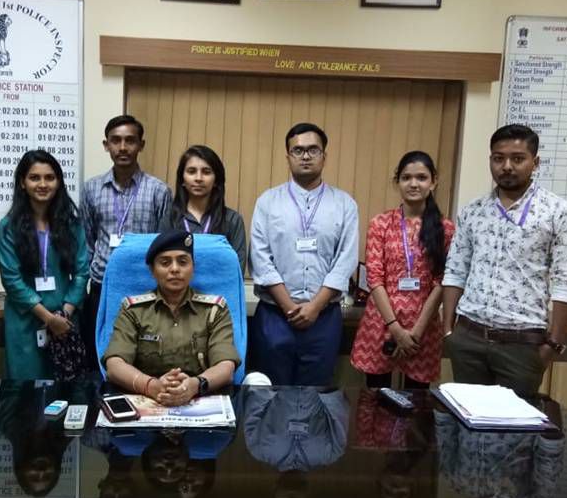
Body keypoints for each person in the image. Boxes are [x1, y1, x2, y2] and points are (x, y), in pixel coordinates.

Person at [442, 124, 567, 397]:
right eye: (498, 158)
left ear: (535, 163)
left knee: (514, 422)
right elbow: (456, 270)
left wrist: (553, 345)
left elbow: (566, 282)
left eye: (517, 159)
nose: (506, 166)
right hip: (469, 338)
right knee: (467, 417)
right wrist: (449, 331)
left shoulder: (557, 212)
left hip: (522, 345)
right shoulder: (473, 211)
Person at [249, 122, 359, 386]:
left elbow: (345, 260)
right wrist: (290, 308)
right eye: (298, 150)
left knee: (315, 394)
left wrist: (315, 307)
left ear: (324, 156)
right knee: (272, 392)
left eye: (313, 150)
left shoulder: (345, 204)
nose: (306, 156)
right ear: (288, 157)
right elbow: (261, 258)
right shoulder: (267, 202)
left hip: (324, 318)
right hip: (275, 316)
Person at [350, 151, 455, 390]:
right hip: (382, 322)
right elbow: (374, 278)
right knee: (375, 397)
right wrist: (396, 329)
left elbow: (442, 281)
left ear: (433, 182)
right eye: (407, 177)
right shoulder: (381, 224)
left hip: (423, 327)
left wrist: (416, 332)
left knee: (417, 401)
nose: (414, 184)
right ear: (397, 181)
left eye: (421, 177)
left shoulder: (446, 228)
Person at [102, 229, 241, 406]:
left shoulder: (214, 310)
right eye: (165, 262)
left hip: (199, 400)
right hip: (146, 399)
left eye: (183, 262)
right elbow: (114, 365)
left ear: (193, 268)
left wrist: (195, 385)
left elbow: (226, 366)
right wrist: (150, 386)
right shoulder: (133, 310)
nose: (175, 269)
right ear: (152, 270)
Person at [80, 115, 172, 368]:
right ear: (106, 145)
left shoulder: (159, 190)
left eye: (130, 140)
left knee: (142, 358)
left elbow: (163, 244)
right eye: (116, 140)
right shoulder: (91, 189)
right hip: (102, 287)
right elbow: (87, 240)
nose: (123, 147)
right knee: (100, 354)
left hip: (143, 287)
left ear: (141, 145)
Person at [0, 150, 89, 380]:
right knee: (27, 389)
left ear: (59, 182)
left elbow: (82, 272)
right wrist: (48, 318)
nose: (43, 184)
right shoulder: (9, 227)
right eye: (34, 178)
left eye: (50, 177)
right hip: (25, 321)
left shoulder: (72, 224)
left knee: (66, 389)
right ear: (22, 183)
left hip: (65, 319)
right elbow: (11, 280)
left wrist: (63, 315)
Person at [159, 144, 247, 270]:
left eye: (206, 172)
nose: (198, 178)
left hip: (219, 283)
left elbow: (237, 269)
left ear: (216, 180)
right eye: (191, 171)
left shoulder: (233, 220)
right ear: (182, 179)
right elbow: (161, 265)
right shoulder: (169, 220)